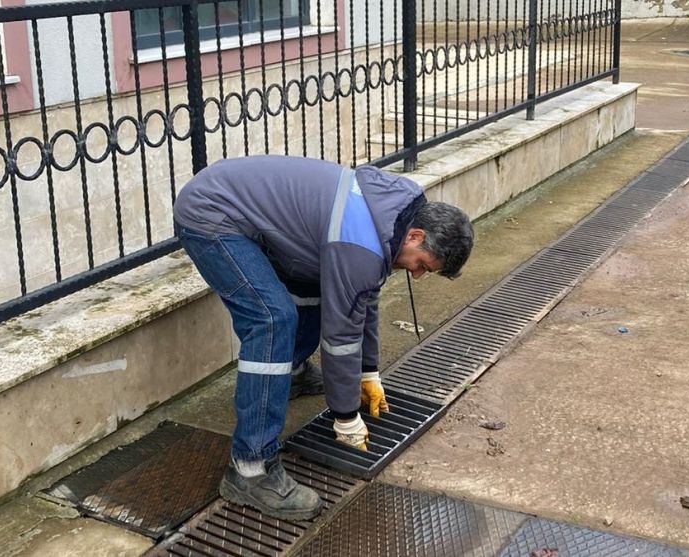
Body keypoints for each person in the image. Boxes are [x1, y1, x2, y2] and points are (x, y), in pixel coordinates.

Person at [173, 155, 474, 520]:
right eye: (422, 265)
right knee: (272, 320)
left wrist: (368, 372)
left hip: (252, 211)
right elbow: (342, 333)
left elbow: (362, 295)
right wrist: (346, 416)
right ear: (416, 236)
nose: (417, 275)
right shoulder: (365, 241)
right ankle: (250, 469)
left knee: (315, 294)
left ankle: (293, 372)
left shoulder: (392, 216)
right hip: (212, 214)